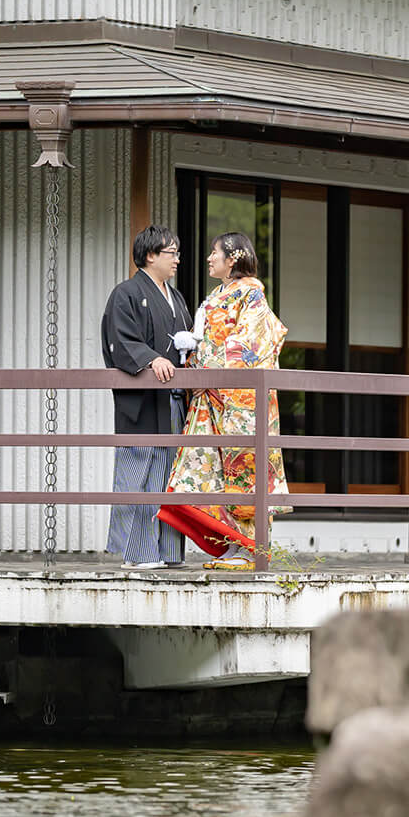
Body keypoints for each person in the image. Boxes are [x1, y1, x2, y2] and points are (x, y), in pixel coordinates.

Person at [159, 233, 289, 568]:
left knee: (243, 469)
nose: (208, 258)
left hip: (240, 399)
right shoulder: (217, 295)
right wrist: (193, 351)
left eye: (214, 253)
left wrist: (206, 358)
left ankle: (252, 549)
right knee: (209, 467)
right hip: (213, 396)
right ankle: (231, 543)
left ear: (232, 258)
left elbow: (252, 343)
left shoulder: (251, 292)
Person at [101, 225, 195, 568]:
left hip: (171, 400)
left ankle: (167, 552)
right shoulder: (126, 293)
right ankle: (136, 553)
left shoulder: (176, 297)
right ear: (151, 255)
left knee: (169, 474)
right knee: (138, 471)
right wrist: (151, 358)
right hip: (142, 400)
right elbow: (121, 341)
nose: (177, 260)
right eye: (172, 253)